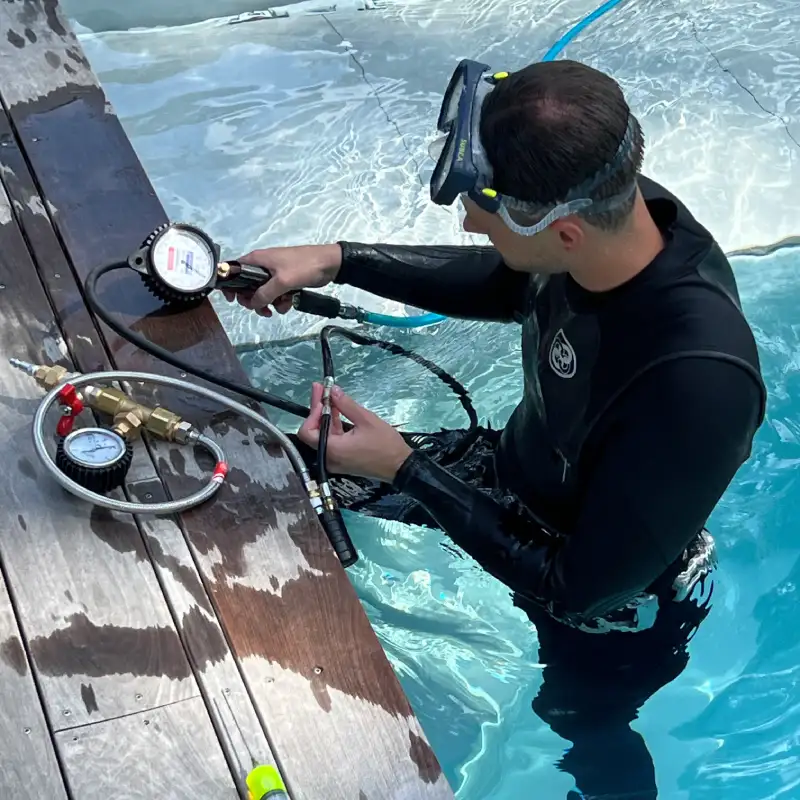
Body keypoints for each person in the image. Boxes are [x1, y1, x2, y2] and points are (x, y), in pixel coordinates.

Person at [224, 59, 767, 799]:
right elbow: (513, 277)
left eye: (485, 210)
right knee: (286, 473)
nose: (468, 221)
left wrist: (408, 469)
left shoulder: (699, 384)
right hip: (510, 476)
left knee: (582, 727)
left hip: (610, 606)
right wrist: (337, 260)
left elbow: (577, 590)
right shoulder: (620, 215)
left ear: (567, 232)